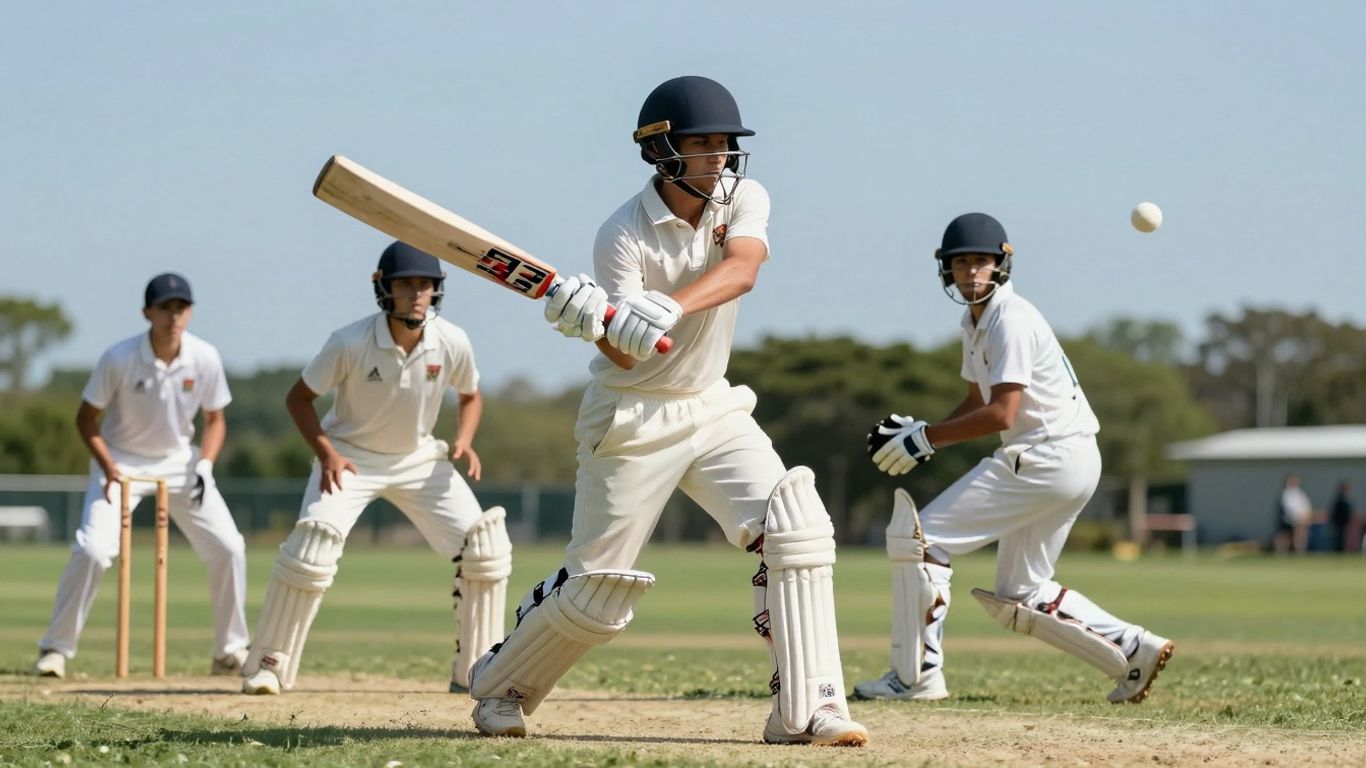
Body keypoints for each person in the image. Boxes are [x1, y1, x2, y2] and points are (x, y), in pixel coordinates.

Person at [467, 75, 867, 746]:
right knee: (597, 588)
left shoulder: (743, 198)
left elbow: (744, 269)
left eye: (725, 145)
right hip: (631, 417)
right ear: (661, 151)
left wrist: (672, 304)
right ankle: (501, 685)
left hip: (713, 405)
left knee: (795, 528)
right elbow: (628, 358)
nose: (719, 158)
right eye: (703, 144)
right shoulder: (621, 234)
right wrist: (592, 323)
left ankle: (811, 708)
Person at [853, 213, 1174, 705]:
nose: (971, 273)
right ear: (947, 270)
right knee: (1021, 591)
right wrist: (924, 432)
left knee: (923, 542)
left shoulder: (1010, 318)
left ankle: (916, 677)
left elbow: (1002, 414)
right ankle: (1134, 647)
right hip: (1068, 458)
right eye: (960, 264)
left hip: (1046, 456)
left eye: (980, 262)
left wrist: (928, 440)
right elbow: (977, 401)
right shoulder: (974, 320)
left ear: (1002, 263)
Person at [240, 242, 510, 696]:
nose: (416, 294)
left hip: (420, 460)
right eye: (406, 284)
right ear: (383, 288)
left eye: (425, 285)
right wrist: (326, 452)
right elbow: (298, 399)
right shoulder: (349, 341)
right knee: (313, 545)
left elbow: (471, 393)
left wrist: (464, 438)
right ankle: (269, 664)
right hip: (350, 458)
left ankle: (476, 671)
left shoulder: (452, 340)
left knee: (484, 547)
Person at [34, 273, 249, 678]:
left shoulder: (204, 357)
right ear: (146, 312)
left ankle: (229, 650)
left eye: (180, 308)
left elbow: (216, 419)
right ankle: (56, 649)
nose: (173, 316)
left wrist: (205, 462)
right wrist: (107, 463)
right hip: (120, 460)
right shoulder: (119, 358)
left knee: (229, 547)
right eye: (164, 308)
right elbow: (86, 419)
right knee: (93, 551)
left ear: (191, 312)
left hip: (180, 462)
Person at [1276, 474, 1313, 554]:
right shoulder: (1286, 493)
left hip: (1302, 519)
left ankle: (1300, 551)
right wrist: (1298, 516)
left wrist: (1306, 516)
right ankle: (1283, 552)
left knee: (1301, 536)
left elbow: (1306, 505)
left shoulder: (1300, 493)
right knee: (1285, 538)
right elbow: (1289, 508)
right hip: (1290, 520)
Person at [1329, 481, 1354, 553]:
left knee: (1343, 537)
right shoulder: (1339, 499)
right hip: (1339, 522)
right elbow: (1336, 511)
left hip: (1345, 522)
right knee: (1339, 537)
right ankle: (1339, 550)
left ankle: (1342, 549)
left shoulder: (1346, 499)